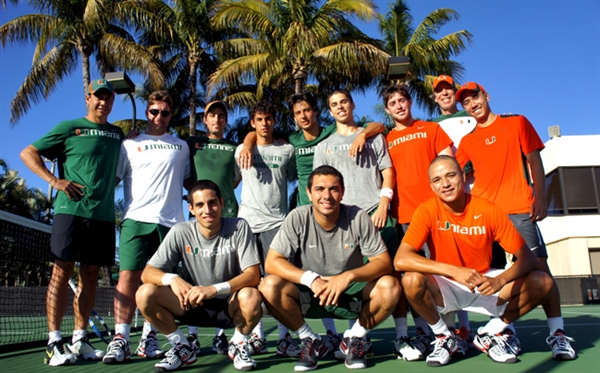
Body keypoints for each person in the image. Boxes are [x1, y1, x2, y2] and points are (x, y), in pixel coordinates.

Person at [242, 91, 386, 357]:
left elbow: (376, 125)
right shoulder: (291, 140)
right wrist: (249, 142)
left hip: (337, 208)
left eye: (307, 110)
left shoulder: (332, 131)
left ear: (318, 112)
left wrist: (363, 135)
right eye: (298, 113)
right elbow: (260, 132)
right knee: (297, 274)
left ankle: (348, 336)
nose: (303, 116)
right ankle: (304, 336)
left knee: (347, 267)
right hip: (303, 212)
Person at [455, 82, 577, 360]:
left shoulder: (517, 123)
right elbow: (456, 172)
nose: (472, 104)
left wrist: (541, 196)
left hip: (520, 210)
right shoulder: (467, 141)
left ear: (486, 96)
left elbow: (534, 160)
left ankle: (557, 334)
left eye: (475, 97)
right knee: (497, 276)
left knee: (541, 272)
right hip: (486, 218)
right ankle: (503, 332)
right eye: (466, 102)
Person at [395, 155, 554, 366]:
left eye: (451, 175)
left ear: (462, 176)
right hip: (446, 286)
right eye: (437, 180)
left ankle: (491, 332)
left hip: (484, 282)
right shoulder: (426, 210)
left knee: (543, 282)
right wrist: (454, 270)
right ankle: (444, 337)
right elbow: (400, 260)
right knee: (410, 280)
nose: (445, 184)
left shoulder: (488, 209)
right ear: (432, 186)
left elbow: (528, 259)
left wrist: (500, 280)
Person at [20, 78, 124, 366]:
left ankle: (80, 340)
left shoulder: (118, 134)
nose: (103, 102)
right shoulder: (69, 127)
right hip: (71, 212)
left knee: (90, 274)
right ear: (88, 98)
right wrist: (54, 180)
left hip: (102, 217)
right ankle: (54, 341)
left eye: (108, 97)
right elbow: (28, 152)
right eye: (98, 97)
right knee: (61, 272)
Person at [259, 165, 400, 371]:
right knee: (268, 285)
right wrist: (311, 279)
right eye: (319, 189)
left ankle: (354, 339)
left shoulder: (357, 217)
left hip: (350, 293)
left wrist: (347, 277)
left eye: (333, 189)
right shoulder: (297, 217)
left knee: (391, 286)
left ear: (342, 192)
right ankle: (310, 340)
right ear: (308, 193)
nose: (327, 195)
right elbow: (272, 261)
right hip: (311, 293)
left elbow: (384, 262)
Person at [136, 180, 263, 372]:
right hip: (191, 304)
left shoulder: (239, 227)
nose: (207, 210)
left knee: (251, 296)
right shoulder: (181, 231)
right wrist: (172, 279)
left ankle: (238, 344)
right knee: (145, 293)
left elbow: (253, 275)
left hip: (229, 305)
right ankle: (182, 346)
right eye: (200, 205)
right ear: (191, 209)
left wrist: (213, 289)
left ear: (221, 202)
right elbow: (147, 273)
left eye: (212, 203)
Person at [102, 91, 191, 364]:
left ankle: (149, 339)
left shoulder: (182, 147)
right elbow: (112, 180)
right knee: (128, 278)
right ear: (146, 113)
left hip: (171, 225)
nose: (159, 117)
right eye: (154, 112)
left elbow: (191, 183)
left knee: (159, 284)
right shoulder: (129, 144)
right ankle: (121, 340)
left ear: (171, 115)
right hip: (136, 220)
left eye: (165, 112)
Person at [383, 84, 454, 360]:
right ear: (388, 110)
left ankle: (455, 331)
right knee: (412, 278)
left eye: (402, 100)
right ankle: (425, 331)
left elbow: (449, 164)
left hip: (436, 213)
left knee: (442, 274)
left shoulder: (431, 129)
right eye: (393, 103)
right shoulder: (386, 138)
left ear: (410, 102)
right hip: (405, 218)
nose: (399, 106)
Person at [235, 100, 297, 355]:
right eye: (259, 119)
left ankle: (284, 337)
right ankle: (256, 336)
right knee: (251, 282)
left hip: (277, 224)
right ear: (253, 122)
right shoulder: (240, 149)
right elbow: (232, 180)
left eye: (268, 118)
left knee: (276, 282)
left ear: (274, 121)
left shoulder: (287, 150)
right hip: (247, 224)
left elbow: (296, 176)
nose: (264, 123)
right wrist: (249, 143)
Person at [185, 100, 241, 354]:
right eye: (212, 116)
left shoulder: (234, 148)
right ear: (204, 120)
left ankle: (221, 335)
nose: (217, 119)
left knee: (225, 274)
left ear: (225, 121)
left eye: (221, 116)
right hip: (199, 221)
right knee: (194, 275)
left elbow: (236, 179)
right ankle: (192, 335)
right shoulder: (191, 144)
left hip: (228, 217)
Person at [431, 75, 477, 348]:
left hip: (478, 192)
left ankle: (499, 326)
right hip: (452, 197)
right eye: (439, 91)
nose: (444, 93)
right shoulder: (432, 126)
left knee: (479, 261)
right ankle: (460, 328)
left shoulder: (471, 115)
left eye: (448, 89)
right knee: (454, 262)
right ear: (435, 98)